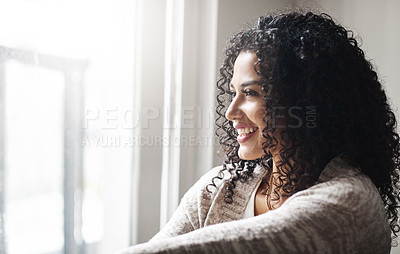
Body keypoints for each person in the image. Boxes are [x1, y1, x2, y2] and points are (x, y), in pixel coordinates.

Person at [117, 11, 400, 253]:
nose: (230, 112)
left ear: (306, 101)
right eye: (233, 93)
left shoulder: (348, 203)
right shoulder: (220, 190)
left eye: (250, 93)